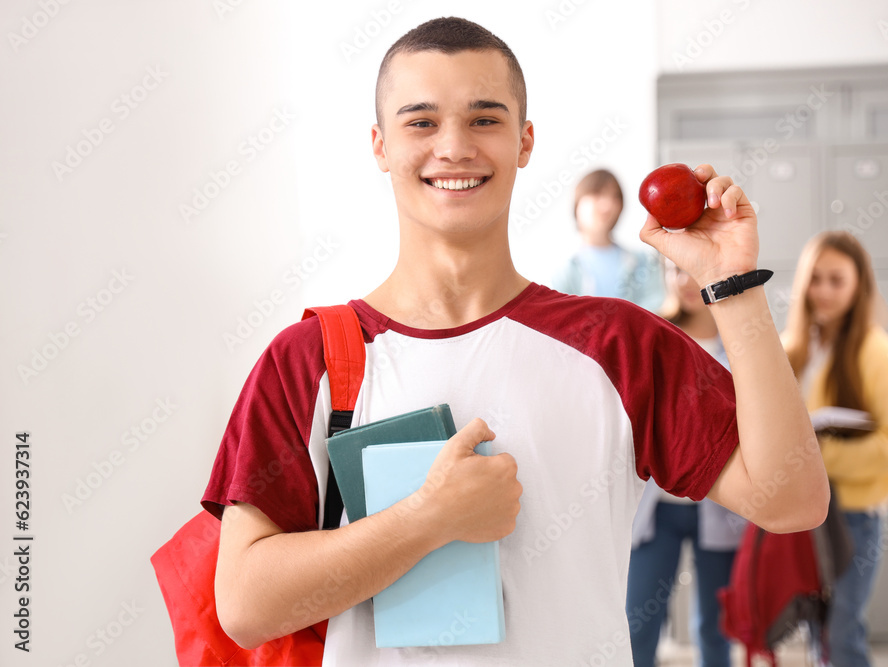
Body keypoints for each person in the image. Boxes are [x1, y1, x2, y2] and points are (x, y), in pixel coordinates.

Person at [203, 17, 829, 666]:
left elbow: (793, 499)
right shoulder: (306, 359)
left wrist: (735, 286)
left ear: (524, 140)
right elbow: (245, 604)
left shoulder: (619, 343)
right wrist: (428, 518)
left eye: (484, 119)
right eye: (420, 122)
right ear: (379, 144)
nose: (453, 147)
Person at [781, 231, 888, 667]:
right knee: (818, 632)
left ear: (859, 285)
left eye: (837, 280)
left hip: (853, 517)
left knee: (842, 633)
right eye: (815, 278)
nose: (823, 290)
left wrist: (814, 458)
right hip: (805, 514)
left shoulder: (878, 353)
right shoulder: (792, 347)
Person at [626, 263, 747, 667]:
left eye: (694, 271)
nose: (685, 282)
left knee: (715, 631)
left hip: (722, 509)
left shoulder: (742, 344)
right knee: (638, 625)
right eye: (675, 270)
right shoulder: (652, 334)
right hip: (658, 509)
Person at [551, 169, 664, 311]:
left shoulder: (643, 262)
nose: (607, 205)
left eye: (614, 197)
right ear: (577, 204)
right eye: (597, 194)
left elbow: (655, 311)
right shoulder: (564, 271)